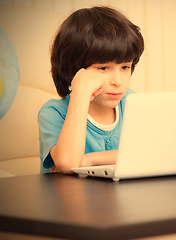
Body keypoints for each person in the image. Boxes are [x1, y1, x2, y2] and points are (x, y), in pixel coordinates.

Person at [38, 6, 144, 174]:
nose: (118, 81)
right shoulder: (53, 112)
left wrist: (90, 160)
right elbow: (67, 163)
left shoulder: (133, 102)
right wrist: (80, 92)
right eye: (103, 68)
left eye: (125, 67)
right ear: (75, 71)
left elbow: (149, 152)